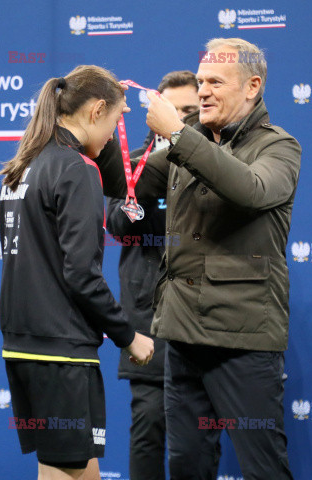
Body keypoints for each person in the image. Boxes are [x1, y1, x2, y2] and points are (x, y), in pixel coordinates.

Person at [96, 38, 301, 479]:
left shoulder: (279, 147)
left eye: (214, 82)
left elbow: (249, 190)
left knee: (264, 468)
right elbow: (121, 185)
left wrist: (177, 134)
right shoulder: (180, 149)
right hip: (181, 337)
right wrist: (103, 115)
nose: (203, 90)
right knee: (187, 465)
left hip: (242, 342)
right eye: (201, 80)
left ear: (252, 86)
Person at [0, 65, 154, 480]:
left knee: (71, 470)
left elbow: (119, 183)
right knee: (65, 471)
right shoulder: (76, 168)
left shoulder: (25, 165)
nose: (114, 135)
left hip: (23, 345)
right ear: (96, 110)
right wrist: (129, 336)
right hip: (61, 351)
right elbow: (82, 275)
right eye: (117, 120)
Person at [106, 71, 201, 480]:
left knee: (197, 435)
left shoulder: (214, 162)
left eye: (191, 112)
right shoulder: (131, 163)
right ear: (154, 111)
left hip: (201, 315)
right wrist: (143, 188)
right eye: (175, 110)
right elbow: (118, 225)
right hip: (148, 316)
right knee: (148, 429)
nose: (182, 119)